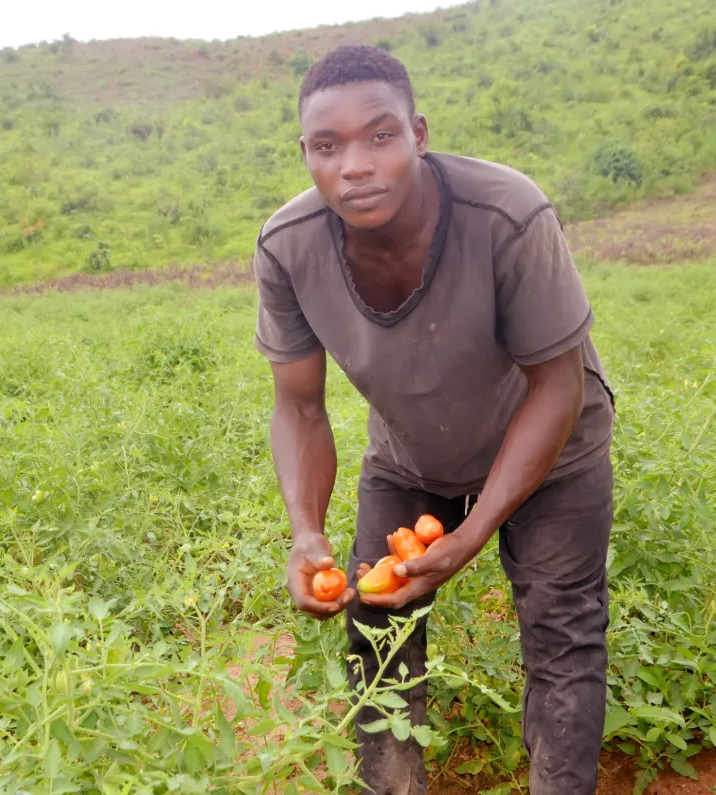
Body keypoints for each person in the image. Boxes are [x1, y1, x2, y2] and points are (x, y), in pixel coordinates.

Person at [251, 44, 616, 795]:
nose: (355, 164)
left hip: (553, 445)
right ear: (306, 155)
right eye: (328, 145)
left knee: (562, 636)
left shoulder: (507, 213)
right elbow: (299, 403)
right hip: (411, 453)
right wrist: (306, 532)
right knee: (375, 626)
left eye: (380, 136)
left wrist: (472, 534)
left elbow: (558, 384)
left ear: (418, 133)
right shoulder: (289, 247)